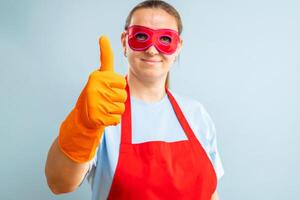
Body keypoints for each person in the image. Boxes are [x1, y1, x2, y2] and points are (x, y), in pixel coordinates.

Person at [45, 0, 224, 199]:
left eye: (165, 39)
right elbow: (58, 182)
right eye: (141, 36)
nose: (152, 50)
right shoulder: (103, 112)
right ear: (124, 41)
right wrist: (83, 126)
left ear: (178, 47)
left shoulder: (196, 114)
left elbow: (210, 193)